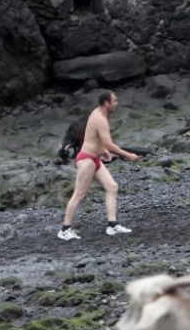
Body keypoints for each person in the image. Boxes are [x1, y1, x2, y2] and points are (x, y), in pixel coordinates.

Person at [59, 90, 139, 240]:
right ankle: (65, 229)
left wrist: (102, 151)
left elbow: (93, 138)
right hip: (87, 160)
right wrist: (128, 155)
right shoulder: (100, 119)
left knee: (112, 187)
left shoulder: (97, 113)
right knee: (79, 194)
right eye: (114, 101)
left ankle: (112, 225)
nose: (117, 103)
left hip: (94, 159)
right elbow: (109, 143)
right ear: (106, 103)